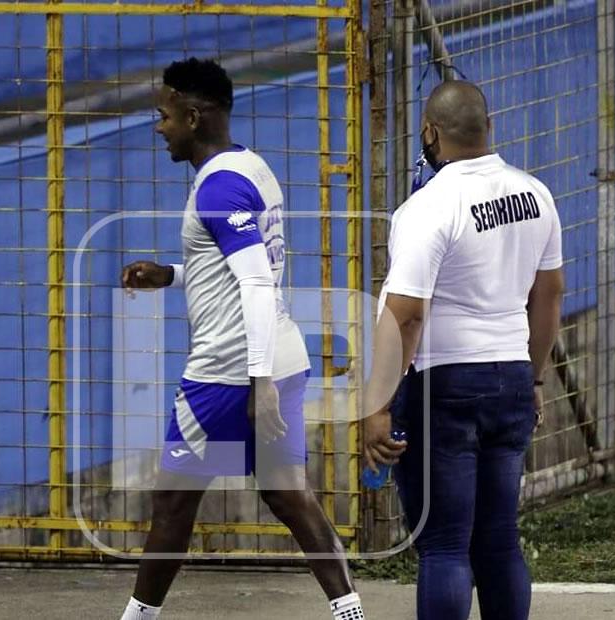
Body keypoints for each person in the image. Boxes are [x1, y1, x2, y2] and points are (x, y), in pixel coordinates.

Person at [117, 57, 365, 620]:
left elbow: (255, 284)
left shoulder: (217, 189)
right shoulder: (251, 169)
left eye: (165, 115)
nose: (160, 127)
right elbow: (244, 268)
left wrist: (258, 384)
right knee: (287, 495)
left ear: (194, 116)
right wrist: (171, 275)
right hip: (279, 356)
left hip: (227, 373)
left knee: (174, 503)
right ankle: (350, 611)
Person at [362, 80, 565, 620]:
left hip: (444, 387)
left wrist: (377, 404)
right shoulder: (535, 194)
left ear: (430, 133)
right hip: (512, 379)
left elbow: (405, 314)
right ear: (488, 127)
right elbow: (549, 295)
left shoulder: (427, 209)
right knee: (499, 540)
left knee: (445, 544)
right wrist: (535, 377)